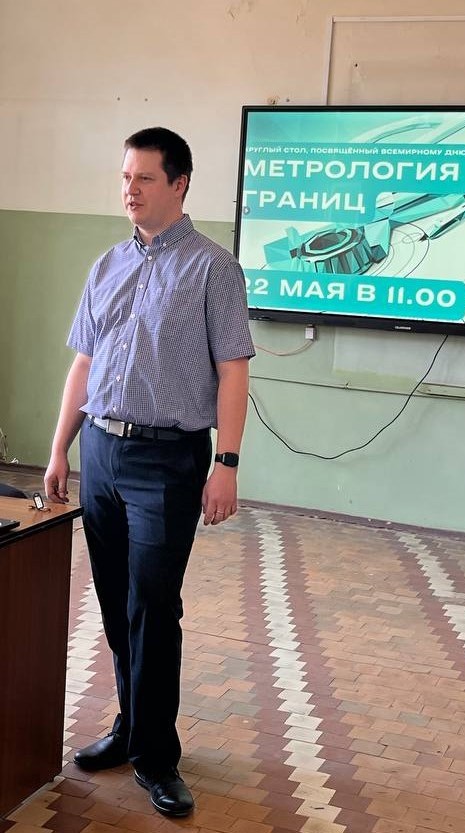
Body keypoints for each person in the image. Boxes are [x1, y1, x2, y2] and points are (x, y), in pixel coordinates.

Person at [44, 126, 255, 817]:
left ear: (179, 184)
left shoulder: (213, 269)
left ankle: (158, 757)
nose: (129, 190)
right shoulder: (107, 264)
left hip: (168, 460)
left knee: (153, 606)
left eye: (144, 178)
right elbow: (84, 363)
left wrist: (226, 463)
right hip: (102, 453)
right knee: (115, 602)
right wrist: (60, 448)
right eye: (125, 177)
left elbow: (233, 370)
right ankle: (131, 727)